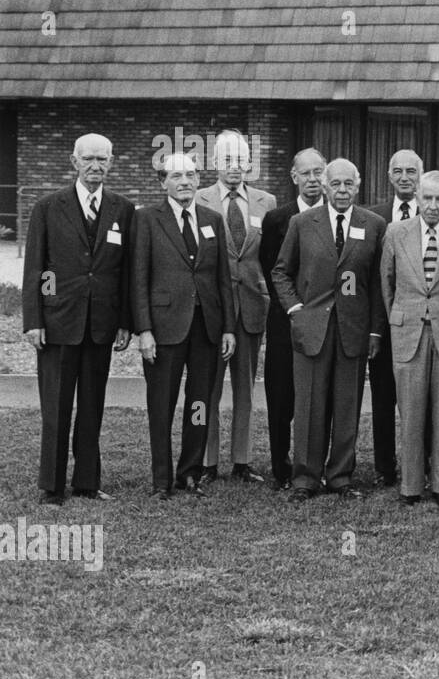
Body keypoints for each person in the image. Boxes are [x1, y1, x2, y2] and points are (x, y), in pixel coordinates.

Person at [22, 133, 134, 504]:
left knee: (91, 406)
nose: (95, 166)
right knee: (56, 407)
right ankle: (52, 486)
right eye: (88, 159)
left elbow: (126, 272)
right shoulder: (48, 207)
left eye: (102, 159)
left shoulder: (122, 209)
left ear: (111, 163)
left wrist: (124, 320)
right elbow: (38, 269)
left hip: (100, 324)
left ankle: (87, 481)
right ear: (74, 162)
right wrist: (35, 319)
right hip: (57, 324)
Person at [272, 159, 386, 501]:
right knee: (309, 404)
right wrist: (295, 309)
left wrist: (375, 332)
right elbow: (281, 272)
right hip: (312, 329)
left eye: (348, 184)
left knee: (347, 404)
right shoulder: (302, 222)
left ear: (358, 184)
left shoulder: (374, 224)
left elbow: (379, 284)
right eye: (335, 184)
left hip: (353, 329)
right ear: (324, 185)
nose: (341, 190)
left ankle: (340, 476)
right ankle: (306, 477)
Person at [132, 154, 235, 499]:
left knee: (199, 404)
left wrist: (228, 328)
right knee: (161, 404)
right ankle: (161, 480)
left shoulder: (212, 220)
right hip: (164, 329)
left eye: (191, 175)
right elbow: (138, 278)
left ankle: (189, 472)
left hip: (206, 328)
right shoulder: (146, 219)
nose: (185, 181)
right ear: (163, 182)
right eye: (176, 176)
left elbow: (223, 279)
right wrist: (143, 329)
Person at [380, 171, 439, 507]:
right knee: (410, 408)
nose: (433, 205)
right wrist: (400, 316)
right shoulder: (396, 232)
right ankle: (410, 485)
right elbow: (386, 284)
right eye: (427, 198)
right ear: (417, 199)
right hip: (408, 329)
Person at [196, 129, 276, 484]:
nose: (235, 167)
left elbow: (269, 257)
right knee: (208, 387)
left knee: (245, 387)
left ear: (250, 164)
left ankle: (241, 460)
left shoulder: (266, 202)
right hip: (213, 308)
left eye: (241, 160)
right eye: (227, 160)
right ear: (215, 163)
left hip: (251, 305)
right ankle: (207, 460)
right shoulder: (197, 199)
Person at [258, 148, 325, 490]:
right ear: (294, 177)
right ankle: (281, 465)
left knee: (317, 396)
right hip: (286, 320)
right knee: (281, 395)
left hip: (325, 321)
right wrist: (293, 307)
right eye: (307, 174)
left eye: (319, 173)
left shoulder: (336, 217)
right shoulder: (276, 220)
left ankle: (316, 461)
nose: (313, 180)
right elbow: (273, 271)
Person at [362, 149, 422, 486]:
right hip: (385, 325)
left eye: (410, 171)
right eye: (397, 171)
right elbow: (373, 278)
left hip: (421, 323)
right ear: (389, 175)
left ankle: (421, 462)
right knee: (384, 398)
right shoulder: (374, 217)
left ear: (420, 174)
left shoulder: (434, 213)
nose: (404, 177)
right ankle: (386, 467)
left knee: (418, 399)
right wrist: (374, 329)